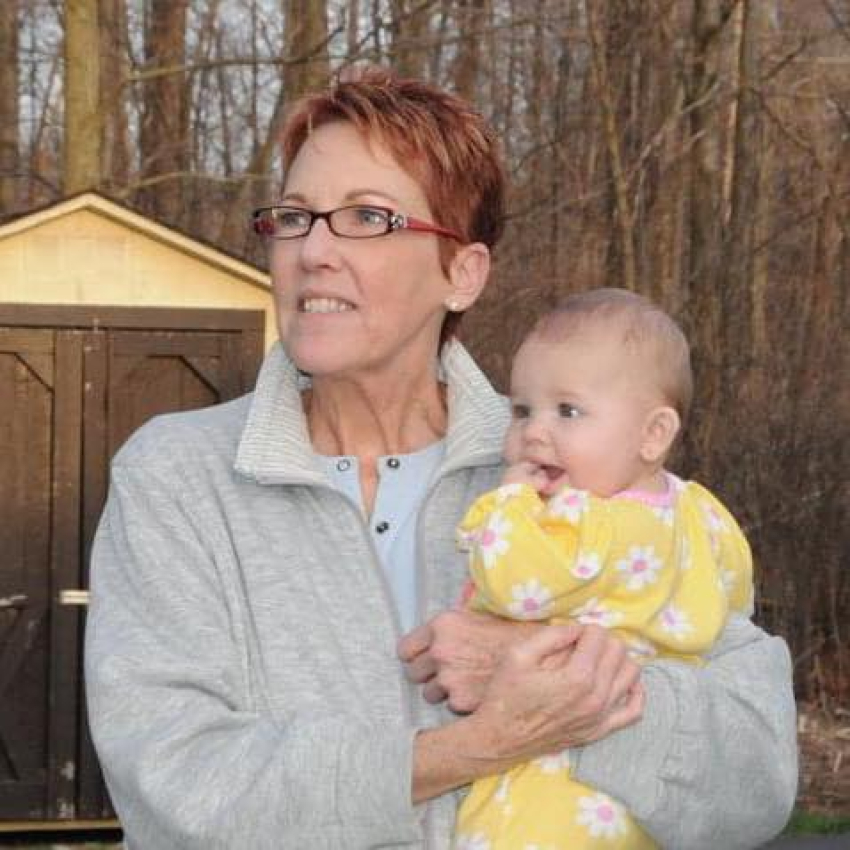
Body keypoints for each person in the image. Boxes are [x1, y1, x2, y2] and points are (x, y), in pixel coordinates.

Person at [84, 68, 797, 850]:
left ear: (463, 273)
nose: (313, 250)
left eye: (367, 216)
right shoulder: (180, 478)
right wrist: (477, 745)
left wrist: (545, 677)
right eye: (294, 216)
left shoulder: (575, 465)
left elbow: (756, 778)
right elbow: (178, 782)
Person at [452, 288, 754, 849]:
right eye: (522, 411)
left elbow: (514, 583)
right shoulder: (701, 515)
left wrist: (508, 503)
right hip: (632, 798)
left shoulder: (583, 528)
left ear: (653, 434)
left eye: (568, 411)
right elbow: (736, 596)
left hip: (556, 793)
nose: (534, 432)